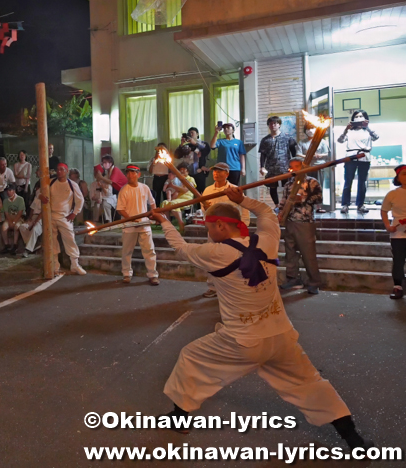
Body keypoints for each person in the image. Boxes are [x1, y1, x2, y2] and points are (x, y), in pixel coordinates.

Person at [150, 187, 374, 451]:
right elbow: (266, 212)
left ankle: (179, 419)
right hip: (281, 336)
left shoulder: (216, 254)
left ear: (221, 225)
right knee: (311, 384)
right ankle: (354, 439)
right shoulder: (268, 239)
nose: (209, 233)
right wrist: (241, 199)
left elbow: (180, 248)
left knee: (190, 357)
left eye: (210, 227)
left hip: (242, 340)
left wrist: (164, 221)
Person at [200, 163, 251, 299]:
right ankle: (212, 287)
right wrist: (207, 211)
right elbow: (204, 209)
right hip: (214, 230)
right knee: (212, 257)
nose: (216, 174)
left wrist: (243, 225)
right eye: (215, 171)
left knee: (233, 258)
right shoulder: (208, 190)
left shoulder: (234, 189)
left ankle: (234, 287)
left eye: (220, 171)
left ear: (227, 174)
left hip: (231, 231)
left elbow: (244, 208)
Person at [278, 157, 323, 295]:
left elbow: (319, 198)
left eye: (296, 166)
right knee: (290, 252)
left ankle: (314, 282)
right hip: (290, 220)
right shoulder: (288, 184)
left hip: (304, 221)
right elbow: (284, 201)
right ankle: (292, 278)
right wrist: (280, 212)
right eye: (291, 167)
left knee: (308, 253)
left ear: (303, 167)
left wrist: (303, 199)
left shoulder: (311, 182)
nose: (293, 169)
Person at [37, 163, 86, 275]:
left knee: (70, 240)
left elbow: (80, 200)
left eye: (61, 170)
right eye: (57, 170)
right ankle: (55, 266)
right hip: (51, 216)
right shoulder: (51, 182)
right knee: (52, 241)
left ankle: (75, 264)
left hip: (65, 217)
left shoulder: (72, 184)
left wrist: (74, 213)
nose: (59, 172)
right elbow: (39, 193)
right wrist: (41, 197)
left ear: (66, 171)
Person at [116, 164, 158, 285]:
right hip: (129, 226)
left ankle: (152, 274)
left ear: (138, 174)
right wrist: (131, 219)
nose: (129, 175)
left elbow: (153, 203)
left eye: (132, 172)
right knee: (127, 251)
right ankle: (126, 273)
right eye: (128, 173)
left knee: (149, 250)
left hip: (144, 224)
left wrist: (153, 214)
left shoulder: (144, 188)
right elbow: (120, 209)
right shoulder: (124, 190)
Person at [338, 110, 379, 214]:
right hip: (350, 157)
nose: (358, 118)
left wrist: (367, 127)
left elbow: (376, 137)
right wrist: (345, 130)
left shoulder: (368, 131)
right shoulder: (350, 131)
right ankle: (345, 205)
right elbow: (340, 140)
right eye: (356, 116)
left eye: (361, 116)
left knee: (362, 183)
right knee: (348, 182)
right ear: (353, 119)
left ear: (365, 118)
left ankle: (360, 205)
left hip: (364, 157)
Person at [259, 116, 298, 206]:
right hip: (271, 168)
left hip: (285, 167)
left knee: (287, 187)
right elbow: (263, 155)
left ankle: (286, 205)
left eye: (275, 123)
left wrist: (295, 166)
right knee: (272, 187)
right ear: (268, 125)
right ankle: (276, 205)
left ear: (279, 125)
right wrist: (262, 167)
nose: (273, 125)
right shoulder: (265, 140)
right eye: (271, 123)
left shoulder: (288, 138)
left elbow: (294, 153)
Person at [382, 164, 406, 299]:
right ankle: (397, 287)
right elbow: (384, 210)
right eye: (404, 174)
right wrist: (387, 225)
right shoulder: (392, 194)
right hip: (398, 233)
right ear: (398, 177)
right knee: (398, 260)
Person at [297, 123, 330, 213]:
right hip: (307, 167)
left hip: (319, 166)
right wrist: (308, 156)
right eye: (308, 129)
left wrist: (319, 155)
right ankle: (307, 206)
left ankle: (319, 207)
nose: (310, 131)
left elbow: (327, 153)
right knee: (306, 187)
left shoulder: (322, 141)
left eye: (312, 128)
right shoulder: (302, 142)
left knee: (318, 186)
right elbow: (298, 154)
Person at [160, 164, 197, 233]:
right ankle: (168, 224)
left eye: (184, 169)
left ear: (188, 171)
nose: (182, 171)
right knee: (164, 203)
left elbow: (185, 190)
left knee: (173, 204)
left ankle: (181, 223)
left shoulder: (190, 179)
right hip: (177, 198)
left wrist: (173, 186)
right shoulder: (177, 179)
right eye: (180, 170)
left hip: (186, 198)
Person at [94, 154, 127, 224]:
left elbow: (111, 181)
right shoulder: (108, 172)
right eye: (103, 163)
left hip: (123, 191)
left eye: (106, 163)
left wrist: (101, 177)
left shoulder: (115, 170)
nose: (104, 164)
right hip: (115, 192)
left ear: (111, 163)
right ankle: (108, 221)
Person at [0, 183, 25, 255]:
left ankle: (15, 244)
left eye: (10, 190)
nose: (8, 192)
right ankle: (6, 245)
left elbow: (20, 212)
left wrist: (14, 221)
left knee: (16, 227)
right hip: (9, 218)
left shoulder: (20, 199)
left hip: (18, 218)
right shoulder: (5, 201)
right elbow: (6, 212)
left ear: (14, 191)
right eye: (7, 191)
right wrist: (10, 221)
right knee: (4, 227)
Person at [185, 127, 210, 196]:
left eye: (192, 133)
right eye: (189, 133)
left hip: (200, 171)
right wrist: (182, 144)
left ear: (197, 134)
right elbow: (177, 155)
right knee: (189, 193)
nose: (190, 134)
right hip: (188, 173)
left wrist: (195, 143)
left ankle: (201, 206)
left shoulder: (203, 143)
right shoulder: (187, 146)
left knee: (201, 192)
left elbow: (206, 150)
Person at [149, 143, 170, 207]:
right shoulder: (153, 159)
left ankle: (166, 211)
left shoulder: (167, 159)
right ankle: (156, 210)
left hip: (165, 178)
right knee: (156, 195)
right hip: (156, 178)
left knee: (165, 195)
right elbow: (150, 171)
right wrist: (154, 162)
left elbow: (171, 168)